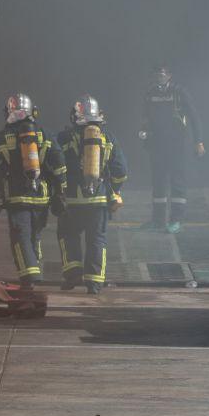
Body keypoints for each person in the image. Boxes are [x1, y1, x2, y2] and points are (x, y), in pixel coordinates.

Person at [0, 93, 66, 289]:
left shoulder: (1, 137)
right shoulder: (45, 134)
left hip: (16, 197)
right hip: (42, 197)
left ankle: (30, 277)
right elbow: (60, 164)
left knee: (21, 238)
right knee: (35, 236)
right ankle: (35, 271)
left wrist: (2, 175)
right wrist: (60, 190)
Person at [56, 95, 128, 295]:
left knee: (67, 235)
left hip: (71, 201)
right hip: (99, 201)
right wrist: (114, 190)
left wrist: (58, 189)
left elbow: (54, 164)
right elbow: (121, 170)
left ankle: (72, 275)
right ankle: (94, 284)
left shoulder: (64, 138)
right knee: (96, 240)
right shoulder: (108, 137)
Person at [139, 64, 204, 233]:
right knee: (158, 182)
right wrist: (144, 134)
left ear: (169, 76)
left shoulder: (179, 93)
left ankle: (176, 220)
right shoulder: (150, 94)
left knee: (177, 181)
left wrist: (199, 141)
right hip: (157, 145)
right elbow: (146, 118)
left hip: (177, 145)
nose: (159, 77)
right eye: (157, 74)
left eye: (163, 74)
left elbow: (194, 117)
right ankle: (158, 221)